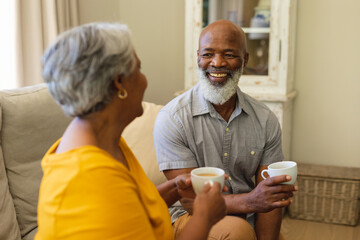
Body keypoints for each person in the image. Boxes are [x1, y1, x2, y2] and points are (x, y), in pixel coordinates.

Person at [35, 22, 227, 240]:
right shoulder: (88, 177)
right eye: (138, 69)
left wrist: (173, 188)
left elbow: (127, 207)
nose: (144, 81)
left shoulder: (105, 141)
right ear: (118, 83)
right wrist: (204, 216)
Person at [153, 19, 298, 240]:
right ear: (198, 57)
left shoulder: (265, 119)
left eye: (229, 55)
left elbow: (270, 196)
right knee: (237, 232)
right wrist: (251, 201)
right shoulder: (173, 118)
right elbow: (191, 200)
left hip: (248, 214)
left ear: (244, 60)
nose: (217, 63)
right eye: (208, 54)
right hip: (191, 216)